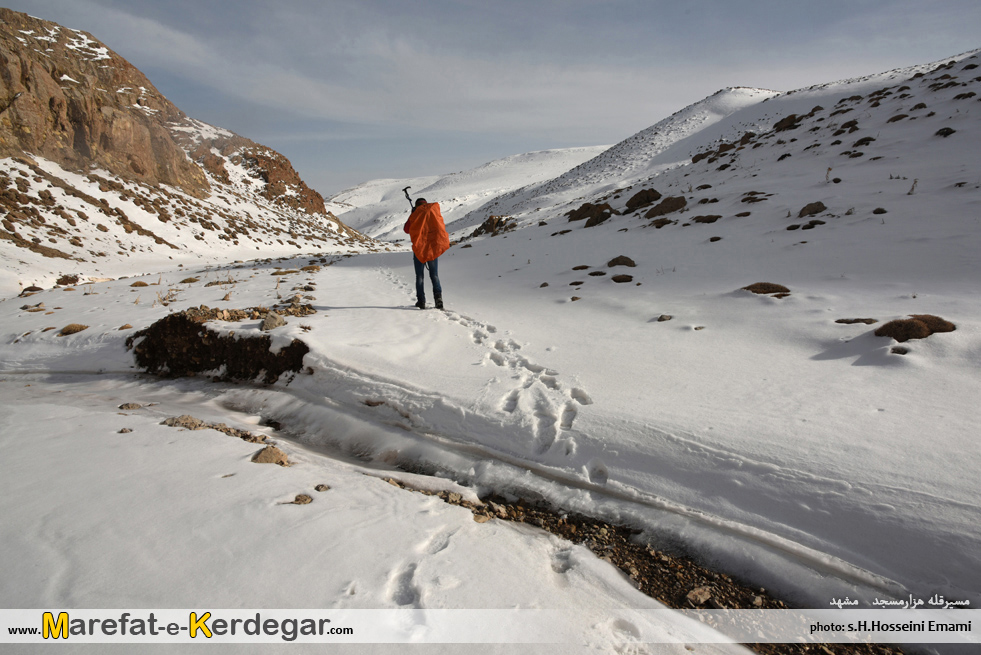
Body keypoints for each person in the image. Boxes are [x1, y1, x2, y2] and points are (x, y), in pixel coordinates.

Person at [403, 197, 450, 309]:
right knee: (434, 275)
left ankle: (421, 301)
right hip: (432, 249)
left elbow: (406, 229)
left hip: (420, 250)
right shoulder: (432, 211)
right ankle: (438, 299)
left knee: (419, 276)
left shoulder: (415, 214)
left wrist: (412, 214)